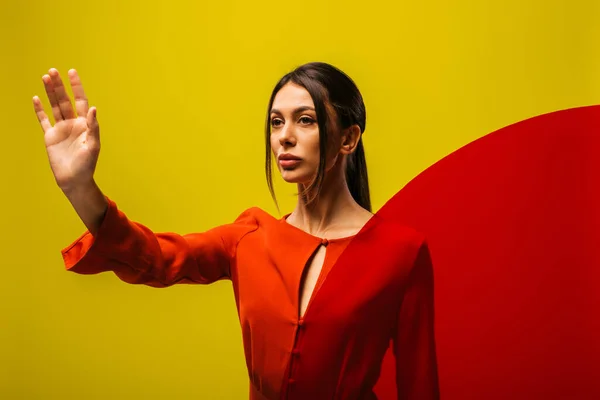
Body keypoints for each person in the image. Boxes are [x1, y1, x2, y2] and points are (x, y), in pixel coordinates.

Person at [32, 62, 440, 400]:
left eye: (306, 120)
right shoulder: (249, 237)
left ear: (349, 138)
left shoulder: (401, 252)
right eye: (276, 121)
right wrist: (80, 187)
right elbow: (153, 257)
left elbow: (420, 387)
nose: (284, 137)